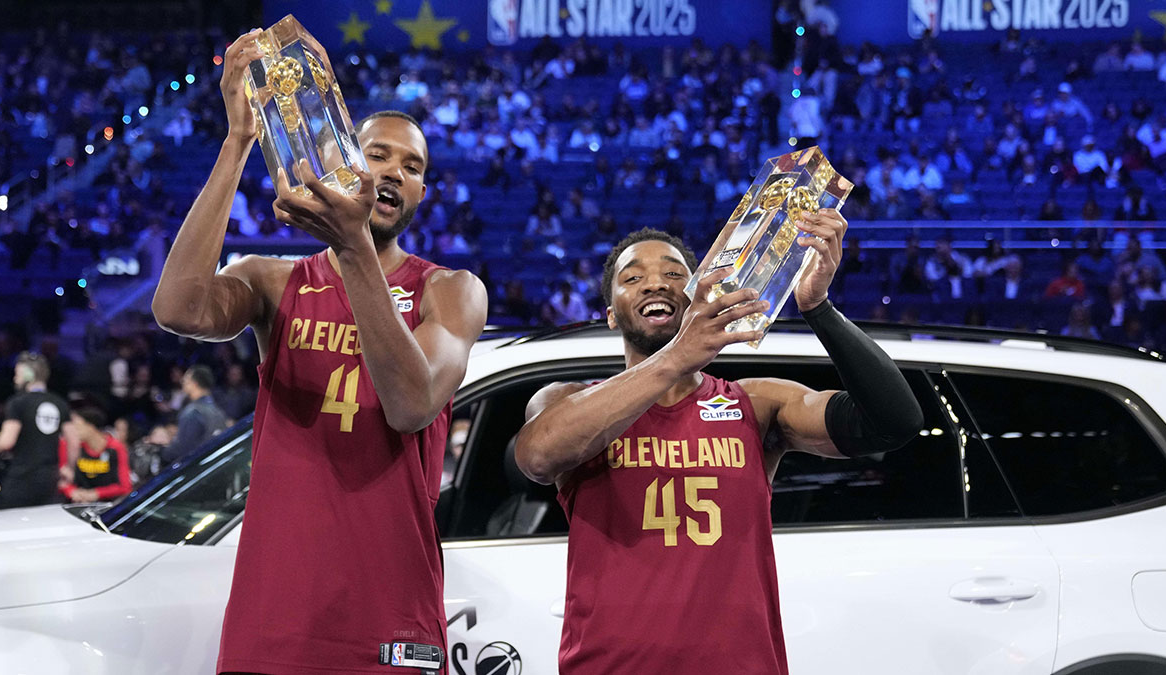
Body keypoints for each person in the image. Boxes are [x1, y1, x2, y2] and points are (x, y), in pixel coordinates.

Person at [150, 30, 487, 675]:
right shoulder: (276, 281)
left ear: (421, 193)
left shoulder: (451, 291)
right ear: (342, 162)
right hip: (275, 612)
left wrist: (354, 247)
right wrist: (237, 143)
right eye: (377, 155)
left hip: (391, 613)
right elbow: (177, 309)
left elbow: (412, 403)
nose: (393, 171)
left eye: (412, 167)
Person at [514, 224, 922, 673]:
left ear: (695, 297)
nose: (654, 283)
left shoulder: (756, 403)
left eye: (674, 275)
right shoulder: (565, 400)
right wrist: (673, 360)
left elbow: (893, 422)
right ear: (611, 313)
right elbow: (537, 456)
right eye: (632, 278)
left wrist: (818, 308)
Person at [0, 352, 76, 510]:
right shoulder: (59, 402)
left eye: (17, 374)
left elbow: (7, 442)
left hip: (21, 478)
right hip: (50, 479)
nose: (15, 378)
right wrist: (69, 468)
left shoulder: (17, 402)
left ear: (28, 374)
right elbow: (74, 441)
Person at [58, 405, 132, 503]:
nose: (73, 431)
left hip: (107, 506)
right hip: (75, 503)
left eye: (77, 426)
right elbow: (61, 479)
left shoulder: (115, 448)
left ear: (91, 426)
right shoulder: (69, 446)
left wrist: (95, 493)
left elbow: (125, 486)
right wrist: (71, 491)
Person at [159, 364, 226, 464]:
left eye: (186, 380)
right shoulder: (219, 412)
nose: (182, 382)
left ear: (194, 384)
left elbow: (182, 450)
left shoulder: (193, 412)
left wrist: (161, 451)